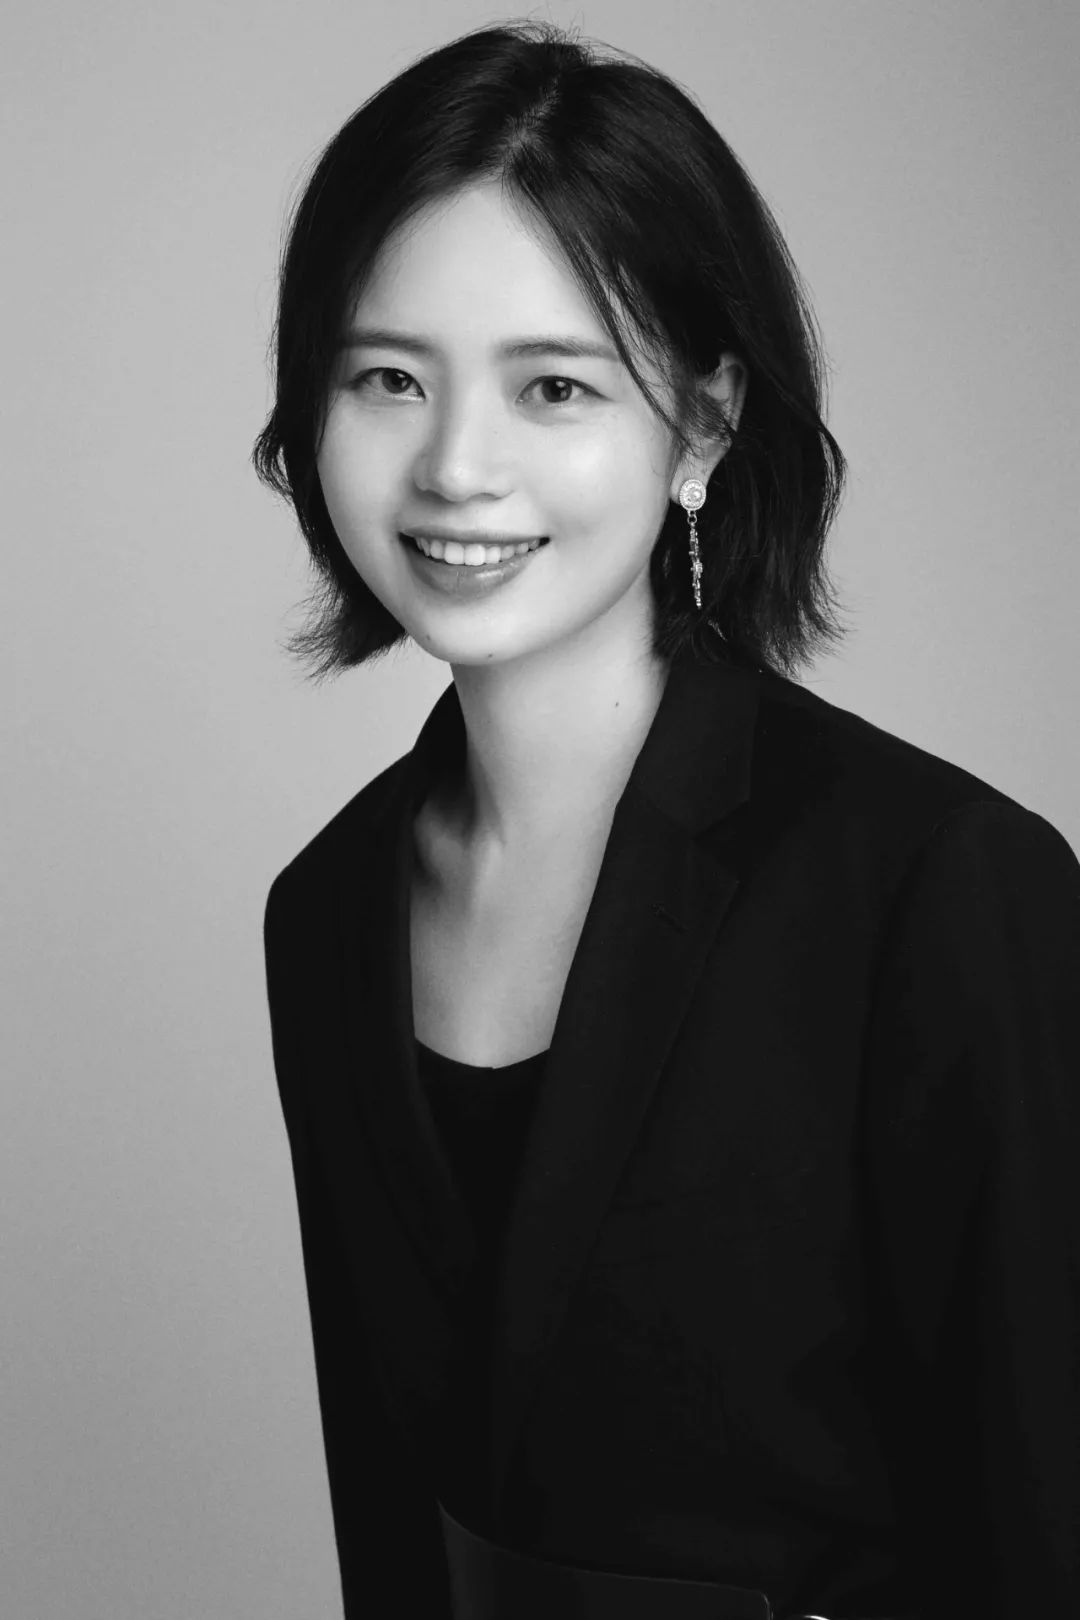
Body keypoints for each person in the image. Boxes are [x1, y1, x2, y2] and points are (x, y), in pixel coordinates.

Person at [253, 20, 1080, 1620]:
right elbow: (392, 1523)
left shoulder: (942, 888)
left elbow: (1051, 1520)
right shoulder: (329, 907)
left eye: (554, 386)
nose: (456, 467)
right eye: (387, 379)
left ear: (701, 425)